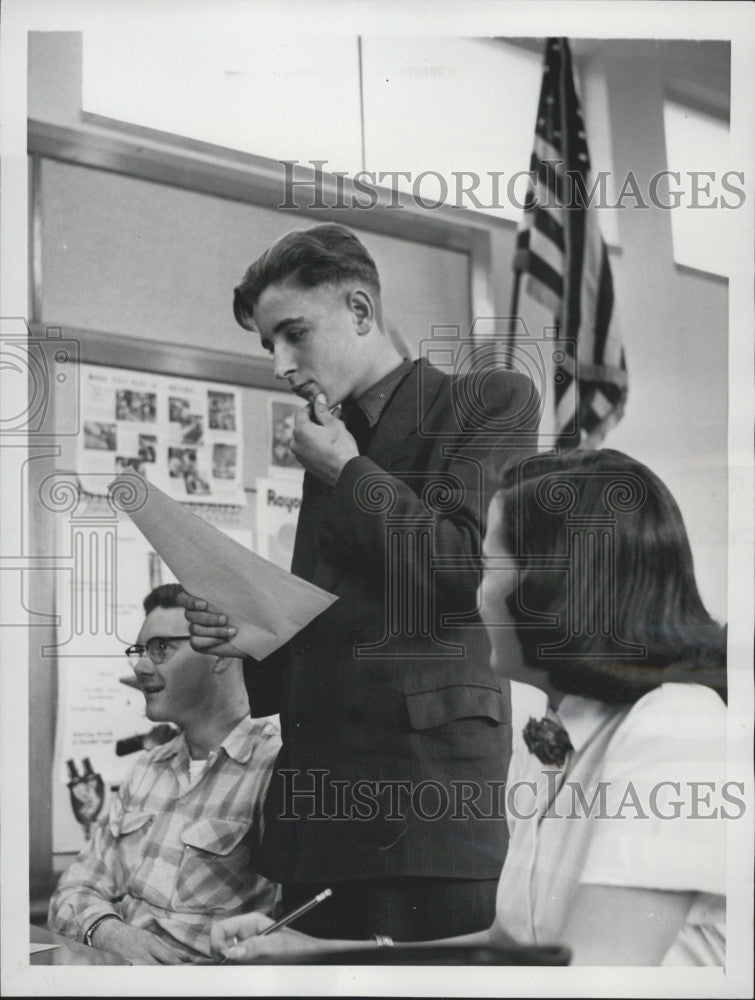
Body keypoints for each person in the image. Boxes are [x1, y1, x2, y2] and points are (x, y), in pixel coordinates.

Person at [207, 449, 728, 966]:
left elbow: (589, 978)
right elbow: (509, 943)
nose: (476, 601)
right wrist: (314, 952)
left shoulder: (674, 727)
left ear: (559, 583)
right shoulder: (551, 738)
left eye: (490, 567)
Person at [179, 223, 541, 940]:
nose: (281, 364)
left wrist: (347, 473)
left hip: (429, 813)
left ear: (360, 311)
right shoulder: (332, 444)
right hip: (319, 820)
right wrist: (251, 633)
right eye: (267, 346)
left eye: (293, 334)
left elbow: (461, 574)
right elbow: (320, 642)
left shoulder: (489, 400)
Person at [48, 584, 281, 964]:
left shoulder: (275, 766)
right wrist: (110, 932)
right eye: (140, 651)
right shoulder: (147, 770)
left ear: (220, 654)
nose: (139, 667)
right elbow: (71, 891)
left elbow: (287, 936)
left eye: (160, 648)